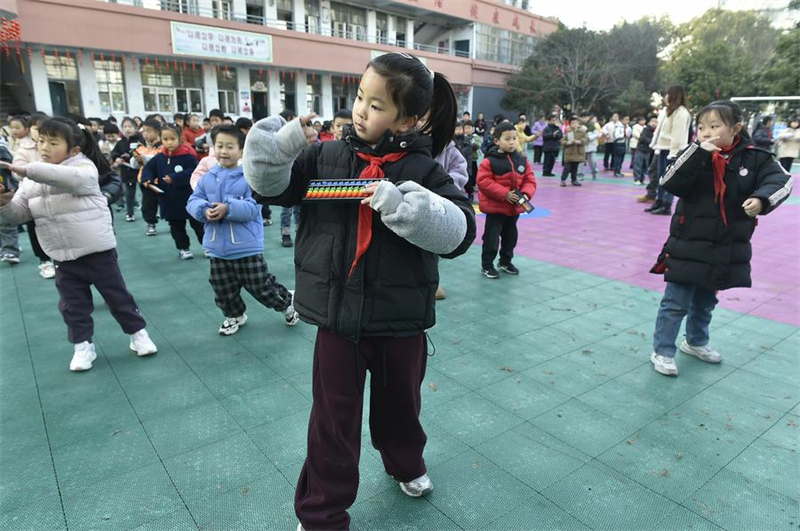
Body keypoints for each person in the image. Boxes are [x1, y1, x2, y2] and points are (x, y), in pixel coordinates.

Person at [243, 51, 475, 531]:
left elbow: (459, 232)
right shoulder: (326, 155)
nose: (361, 111)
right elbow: (272, 189)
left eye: (378, 105)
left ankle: (406, 463)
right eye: (360, 98)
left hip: (401, 321)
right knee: (332, 422)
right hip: (336, 321)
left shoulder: (425, 169)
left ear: (409, 118)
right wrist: (277, 150)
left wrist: (408, 206)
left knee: (401, 409)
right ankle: (322, 514)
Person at [0, 117, 158, 372]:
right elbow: (20, 213)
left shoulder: (84, 168)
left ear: (74, 149)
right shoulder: (33, 177)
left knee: (118, 298)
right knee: (73, 306)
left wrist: (27, 170)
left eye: (53, 142)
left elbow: (66, 178)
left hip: (98, 252)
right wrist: (4, 203)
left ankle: (138, 334)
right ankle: (83, 345)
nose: (45, 148)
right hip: (62, 256)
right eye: (41, 141)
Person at [649, 100, 791, 377]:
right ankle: (663, 350)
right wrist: (697, 153)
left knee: (706, 300)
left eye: (714, 126)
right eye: (701, 127)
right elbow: (669, 182)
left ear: (736, 128)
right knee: (675, 302)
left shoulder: (756, 157)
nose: (706, 132)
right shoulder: (692, 154)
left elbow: (782, 181)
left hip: (722, 246)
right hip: (687, 243)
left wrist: (761, 200)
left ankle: (695, 342)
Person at [187, 124, 299, 334]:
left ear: (241, 151)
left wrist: (228, 208)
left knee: (261, 286)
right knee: (223, 289)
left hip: (246, 247)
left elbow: (253, 208)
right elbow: (193, 201)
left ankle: (286, 303)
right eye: (219, 146)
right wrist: (203, 210)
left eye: (229, 146)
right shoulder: (208, 177)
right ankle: (234, 315)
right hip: (217, 249)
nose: (223, 151)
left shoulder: (249, 177)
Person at [477, 121, 537, 278]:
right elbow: (484, 182)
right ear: (497, 141)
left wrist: (525, 195)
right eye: (507, 139)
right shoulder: (489, 161)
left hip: (514, 209)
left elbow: (530, 180)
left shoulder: (522, 160)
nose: (512, 142)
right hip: (495, 209)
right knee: (491, 238)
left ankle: (505, 261)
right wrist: (504, 194)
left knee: (511, 237)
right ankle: (487, 265)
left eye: (514, 138)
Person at [141, 123, 203, 259]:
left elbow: (194, 171)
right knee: (176, 226)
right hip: (169, 200)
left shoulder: (187, 156)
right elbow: (148, 169)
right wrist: (148, 180)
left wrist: (175, 178)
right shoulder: (159, 157)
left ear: (179, 138)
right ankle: (183, 248)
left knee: (198, 224)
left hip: (189, 198)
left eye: (172, 139)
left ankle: (208, 247)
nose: (169, 142)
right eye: (165, 139)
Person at [648, 85, 691, 216]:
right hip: (663, 148)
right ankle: (659, 200)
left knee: (669, 178)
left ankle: (667, 205)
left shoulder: (681, 112)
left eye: (668, 94)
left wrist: (673, 154)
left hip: (671, 151)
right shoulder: (669, 111)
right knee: (661, 176)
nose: (665, 96)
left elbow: (677, 136)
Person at [130, 119, 162, 235]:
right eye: (143, 131)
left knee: (168, 202)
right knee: (148, 204)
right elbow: (133, 165)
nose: (145, 134)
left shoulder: (163, 146)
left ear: (158, 132)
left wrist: (144, 159)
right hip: (146, 181)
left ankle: (172, 219)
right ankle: (151, 223)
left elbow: (159, 161)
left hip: (162, 180)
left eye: (149, 131)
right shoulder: (140, 147)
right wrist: (136, 159)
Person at [110, 118, 142, 222]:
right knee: (129, 194)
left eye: (130, 126)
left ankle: (153, 213)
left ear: (135, 128)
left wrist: (131, 154)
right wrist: (117, 158)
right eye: (125, 127)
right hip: (127, 172)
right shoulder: (121, 142)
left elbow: (143, 151)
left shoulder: (140, 140)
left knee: (147, 194)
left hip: (140, 171)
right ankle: (130, 213)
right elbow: (114, 152)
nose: (127, 129)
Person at [560, 116, 587, 187]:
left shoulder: (582, 132)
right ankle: (563, 180)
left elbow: (586, 140)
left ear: (578, 124)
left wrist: (579, 141)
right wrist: (568, 142)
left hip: (578, 153)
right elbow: (562, 141)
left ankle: (574, 180)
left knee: (575, 168)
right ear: (570, 124)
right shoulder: (568, 132)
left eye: (576, 123)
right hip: (569, 153)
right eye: (572, 123)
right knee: (567, 168)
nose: (574, 124)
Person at [633, 115, 658, 185]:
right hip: (641, 149)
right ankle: (636, 179)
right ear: (649, 122)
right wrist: (652, 142)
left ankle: (642, 179)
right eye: (652, 121)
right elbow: (643, 138)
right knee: (638, 164)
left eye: (656, 122)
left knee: (645, 166)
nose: (654, 123)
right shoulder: (646, 129)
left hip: (648, 151)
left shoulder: (656, 131)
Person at [462, 120, 481, 198]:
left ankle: (472, 189)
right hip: (464, 160)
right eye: (466, 128)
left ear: (472, 129)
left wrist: (472, 143)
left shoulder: (475, 137)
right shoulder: (462, 137)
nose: (468, 130)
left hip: (473, 160)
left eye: (469, 128)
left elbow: (477, 146)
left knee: (473, 175)